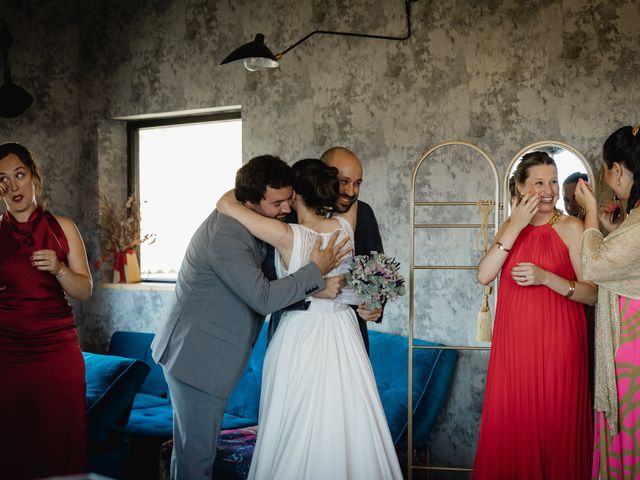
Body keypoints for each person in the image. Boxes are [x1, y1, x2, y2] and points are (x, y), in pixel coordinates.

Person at [151, 155, 348, 480]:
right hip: (197, 359)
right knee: (196, 462)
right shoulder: (225, 236)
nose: (286, 208)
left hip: (203, 353)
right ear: (248, 201)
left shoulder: (246, 219)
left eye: (289, 199)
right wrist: (317, 273)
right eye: (277, 203)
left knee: (191, 456)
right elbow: (264, 297)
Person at [217, 158, 403, 479]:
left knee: (299, 421)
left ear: (297, 192)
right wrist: (316, 286)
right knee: (344, 420)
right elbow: (263, 287)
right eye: (343, 182)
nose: (350, 190)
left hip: (301, 337)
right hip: (340, 330)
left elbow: (225, 204)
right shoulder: (346, 223)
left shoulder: (286, 233)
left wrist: (374, 302)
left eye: (356, 183)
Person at [472, 151, 597, 479]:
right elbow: (484, 275)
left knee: (556, 425)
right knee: (516, 424)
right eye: (539, 183)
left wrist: (547, 278)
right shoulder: (511, 227)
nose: (549, 189)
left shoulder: (572, 227)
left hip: (561, 346)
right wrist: (515, 225)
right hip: (515, 348)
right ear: (521, 189)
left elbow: (592, 293)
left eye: (553, 181)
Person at [0, 142, 93, 479]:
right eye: (2, 179)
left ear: (33, 177)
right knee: (11, 451)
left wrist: (59, 269)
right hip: (7, 359)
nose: (12, 186)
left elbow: (84, 289)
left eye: (19, 175)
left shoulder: (63, 227)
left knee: (60, 450)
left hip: (56, 357)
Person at [574, 124, 640, 478]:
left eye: (605, 168)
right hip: (630, 339)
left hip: (633, 346)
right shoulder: (635, 218)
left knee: (630, 429)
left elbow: (593, 266)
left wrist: (588, 212)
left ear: (616, 170)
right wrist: (611, 232)